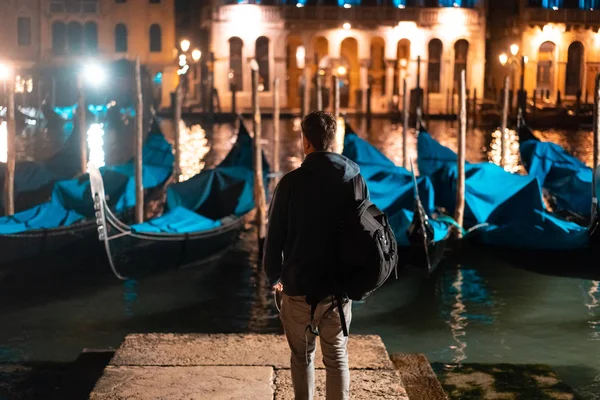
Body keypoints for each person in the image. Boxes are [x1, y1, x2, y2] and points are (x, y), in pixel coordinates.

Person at [262, 111, 368, 400]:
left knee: (301, 357)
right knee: (337, 359)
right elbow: (365, 232)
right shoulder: (354, 179)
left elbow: (274, 239)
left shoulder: (290, 183)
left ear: (305, 141)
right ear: (332, 140)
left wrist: (273, 276)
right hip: (338, 287)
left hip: (298, 285)